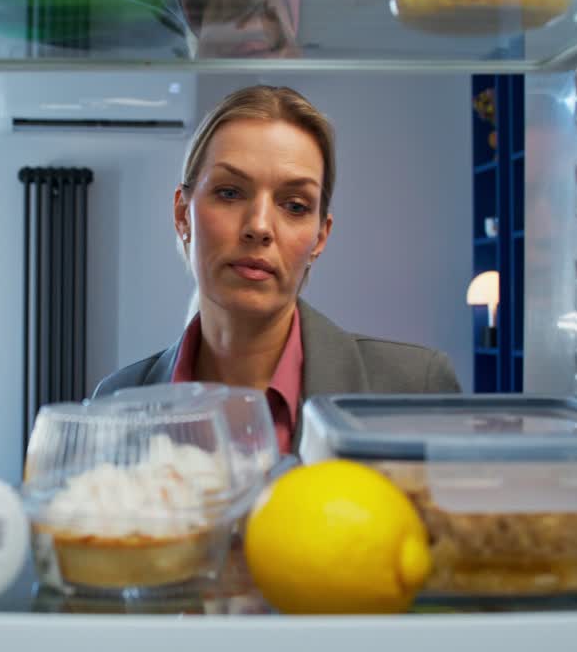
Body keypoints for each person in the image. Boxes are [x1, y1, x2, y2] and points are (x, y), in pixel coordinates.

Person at [93, 85, 460, 454]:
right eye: (230, 193)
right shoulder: (115, 404)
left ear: (319, 237)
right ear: (181, 215)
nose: (260, 226)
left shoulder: (414, 389)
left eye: (295, 205)